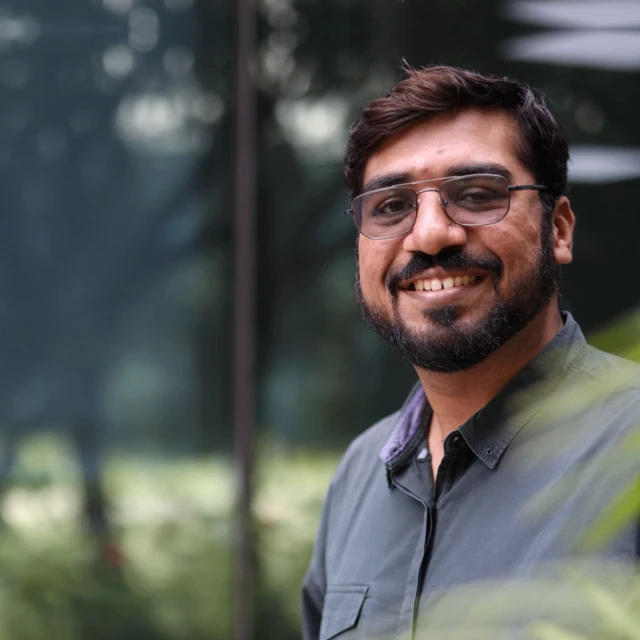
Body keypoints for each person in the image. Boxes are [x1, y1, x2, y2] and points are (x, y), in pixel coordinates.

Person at [301, 64, 640, 640]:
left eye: (478, 194)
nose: (431, 234)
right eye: (390, 206)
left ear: (557, 230)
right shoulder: (358, 476)